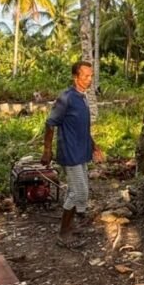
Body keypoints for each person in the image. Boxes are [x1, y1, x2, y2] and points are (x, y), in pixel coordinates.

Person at [42, 61, 105, 248]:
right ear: (75, 77)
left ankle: (70, 226)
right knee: (79, 192)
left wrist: (94, 147)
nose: (89, 79)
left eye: (91, 76)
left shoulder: (82, 97)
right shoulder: (66, 98)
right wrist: (47, 150)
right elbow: (50, 123)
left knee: (76, 191)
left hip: (82, 151)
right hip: (70, 153)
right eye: (85, 76)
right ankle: (63, 234)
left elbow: (83, 127)